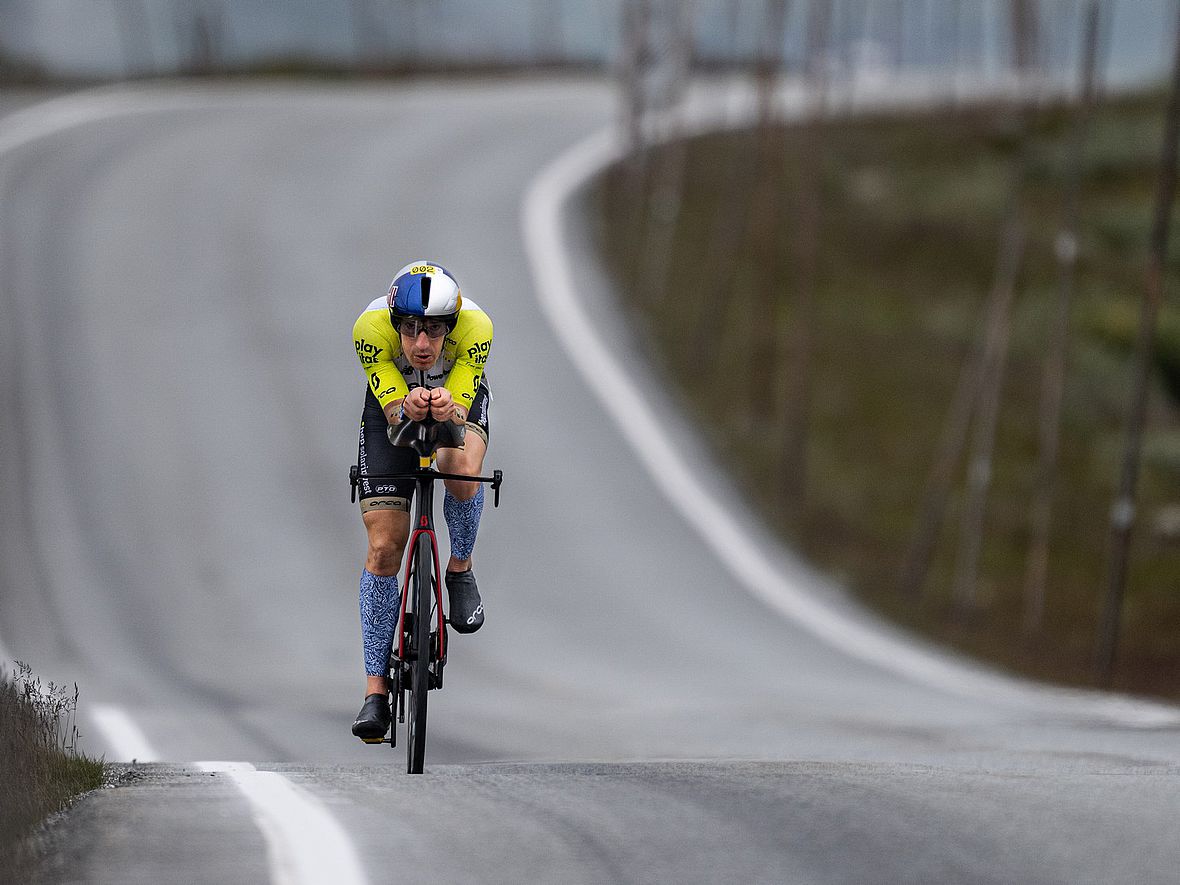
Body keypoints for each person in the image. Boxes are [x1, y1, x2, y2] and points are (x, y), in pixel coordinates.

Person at [349, 261, 493, 741]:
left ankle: (459, 567)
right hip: (391, 401)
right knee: (385, 546)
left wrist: (447, 408)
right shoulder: (369, 330)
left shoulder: (476, 329)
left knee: (460, 472)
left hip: (456, 395)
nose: (422, 344)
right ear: (394, 325)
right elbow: (392, 412)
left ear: (451, 326)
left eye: (433, 330)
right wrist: (401, 405)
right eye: (409, 330)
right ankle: (375, 692)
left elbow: (458, 410)